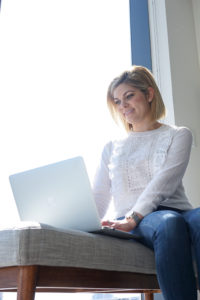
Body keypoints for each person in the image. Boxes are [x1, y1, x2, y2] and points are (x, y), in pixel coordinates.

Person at [93, 65, 200, 300]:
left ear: (149, 94)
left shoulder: (179, 134)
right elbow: (100, 194)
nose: (123, 106)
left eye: (129, 96)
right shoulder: (112, 147)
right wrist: (89, 223)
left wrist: (134, 217)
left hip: (175, 210)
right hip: (142, 219)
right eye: (117, 101)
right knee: (169, 223)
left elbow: (165, 182)